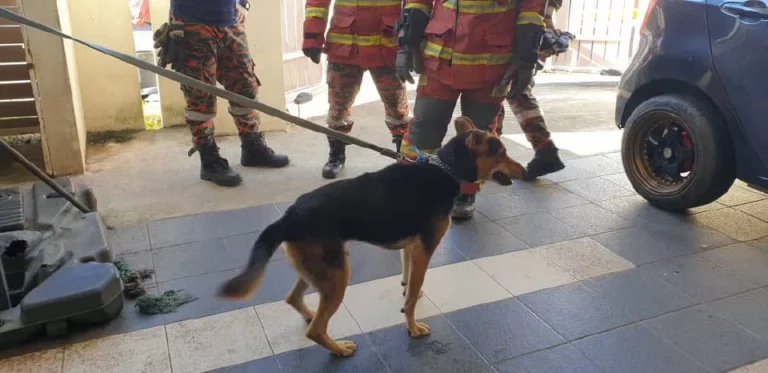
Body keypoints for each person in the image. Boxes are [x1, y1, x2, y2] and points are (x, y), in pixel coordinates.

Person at [395, 0, 548, 219]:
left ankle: (465, 192)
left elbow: (531, 11)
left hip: (492, 67)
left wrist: (526, 59)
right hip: (439, 60)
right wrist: (407, 44)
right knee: (423, 128)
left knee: (479, 136)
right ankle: (412, 186)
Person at [162, 0, 290, 187]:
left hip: (229, 21)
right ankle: (209, 160)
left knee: (245, 89)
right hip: (192, 23)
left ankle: (252, 148)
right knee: (200, 96)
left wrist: (242, 3)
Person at [302, 0, 410, 179]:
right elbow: (316, 3)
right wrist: (312, 38)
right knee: (338, 106)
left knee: (397, 107)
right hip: (344, 44)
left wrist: (413, 42)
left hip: (386, 43)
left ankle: (404, 157)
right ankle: (336, 155)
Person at [494, 0, 568, 181]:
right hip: (519, 35)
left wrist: (547, 21)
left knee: (505, 92)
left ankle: (495, 154)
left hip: (513, 36)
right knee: (508, 92)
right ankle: (542, 151)